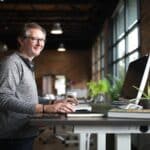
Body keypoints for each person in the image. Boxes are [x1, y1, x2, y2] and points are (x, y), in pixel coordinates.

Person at [0, 22, 78, 150]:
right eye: (34, 39)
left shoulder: (27, 64)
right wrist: (44, 108)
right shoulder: (12, 63)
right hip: (12, 137)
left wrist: (54, 101)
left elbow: (27, 97)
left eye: (42, 40)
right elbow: (3, 98)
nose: (39, 43)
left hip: (24, 132)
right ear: (21, 40)